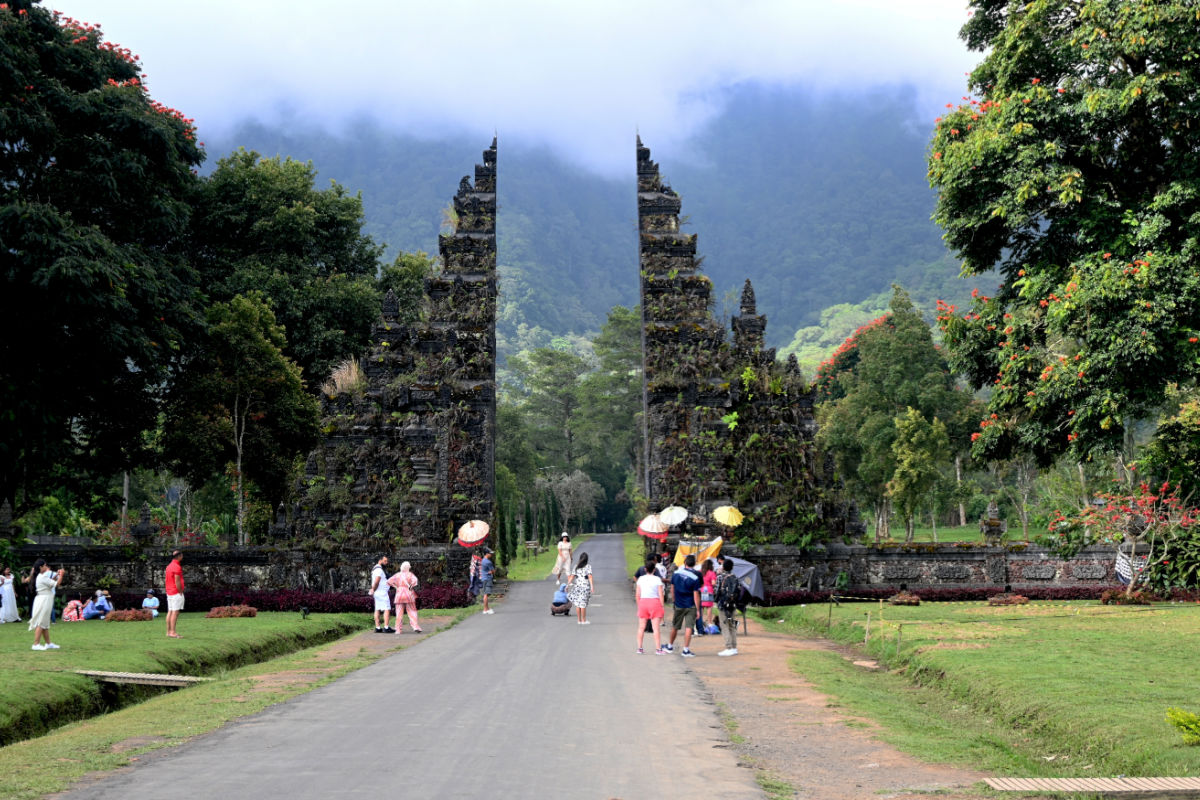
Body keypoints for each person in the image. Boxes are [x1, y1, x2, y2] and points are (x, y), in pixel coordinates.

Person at [666, 554, 701, 657]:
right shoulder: (695, 578)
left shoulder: (676, 573)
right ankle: (686, 650)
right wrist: (698, 610)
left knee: (675, 626)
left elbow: (672, 588)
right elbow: (696, 595)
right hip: (690, 605)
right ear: (694, 565)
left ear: (685, 563)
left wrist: (674, 600)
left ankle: (670, 646)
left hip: (679, 604)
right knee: (689, 627)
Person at [28, 560, 64, 650]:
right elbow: (57, 584)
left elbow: (49, 583)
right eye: (44, 565)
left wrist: (56, 576)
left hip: (43, 599)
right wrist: (62, 575)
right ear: (40, 567)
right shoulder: (42, 577)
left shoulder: (40, 576)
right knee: (41, 622)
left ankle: (48, 643)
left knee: (45, 622)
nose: (46, 567)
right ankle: (36, 644)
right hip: (44, 600)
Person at [635, 557, 666, 654]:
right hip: (655, 603)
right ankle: (658, 649)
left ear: (645, 569)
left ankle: (639, 648)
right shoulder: (657, 579)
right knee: (656, 628)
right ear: (654, 569)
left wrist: (639, 605)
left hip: (643, 602)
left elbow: (637, 594)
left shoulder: (640, 579)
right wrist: (662, 606)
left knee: (641, 627)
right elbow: (661, 594)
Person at [387, 561, 422, 633]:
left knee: (399, 613)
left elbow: (388, 581)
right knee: (412, 611)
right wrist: (410, 586)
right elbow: (415, 581)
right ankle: (415, 627)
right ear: (408, 567)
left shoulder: (397, 575)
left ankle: (398, 630)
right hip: (408, 594)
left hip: (399, 595)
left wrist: (396, 586)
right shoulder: (410, 575)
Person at [714, 558, 740, 657]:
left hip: (723, 604)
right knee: (732, 625)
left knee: (724, 625)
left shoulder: (720, 577)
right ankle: (734, 647)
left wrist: (716, 599)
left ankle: (728, 647)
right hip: (733, 604)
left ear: (723, 567)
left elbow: (716, 591)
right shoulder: (735, 577)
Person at [566, 552, 594, 624]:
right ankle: (584, 620)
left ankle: (579, 620)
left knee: (578, 604)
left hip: (577, 587)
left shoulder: (576, 566)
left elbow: (572, 577)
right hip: (585, 587)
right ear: (586, 559)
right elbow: (590, 577)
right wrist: (592, 586)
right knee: (583, 604)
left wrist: (567, 585)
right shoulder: (588, 567)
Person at [164, 549, 185, 638]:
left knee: (170, 611)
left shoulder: (169, 566)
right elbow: (177, 581)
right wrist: (180, 591)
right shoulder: (176, 567)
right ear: (179, 556)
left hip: (169, 591)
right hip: (175, 592)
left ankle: (168, 631)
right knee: (175, 612)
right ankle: (173, 632)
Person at [370, 555, 393, 633]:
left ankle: (378, 627)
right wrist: (373, 589)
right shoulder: (379, 570)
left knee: (377, 609)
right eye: (385, 561)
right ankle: (386, 628)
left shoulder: (374, 568)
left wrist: (374, 590)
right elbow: (377, 581)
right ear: (380, 560)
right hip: (382, 593)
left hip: (377, 593)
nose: (386, 563)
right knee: (387, 609)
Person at [698, 558, 718, 635]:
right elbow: (713, 583)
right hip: (709, 590)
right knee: (709, 608)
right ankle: (709, 622)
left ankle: (701, 622)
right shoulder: (712, 573)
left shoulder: (700, 572)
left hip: (701, 590)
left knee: (701, 607)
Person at [478, 549, 495, 614]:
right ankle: (485, 609)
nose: (491, 554)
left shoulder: (483, 560)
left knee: (486, 593)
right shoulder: (488, 562)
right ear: (486, 554)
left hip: (484, 578)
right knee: (486, 594)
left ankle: (487, 608)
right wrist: (492, 571)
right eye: (490, 553)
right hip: (487, 579)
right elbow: (493, 571)